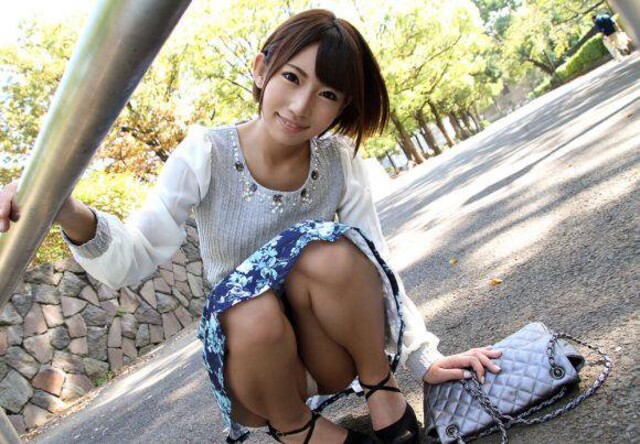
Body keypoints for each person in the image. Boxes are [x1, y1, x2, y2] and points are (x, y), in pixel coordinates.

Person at [0, 10, 502, 444]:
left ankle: (382, 390)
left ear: (342, 106)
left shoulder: (339, 160)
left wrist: (423, 359)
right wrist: (65, 209)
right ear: (261, 69)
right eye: (292, 77)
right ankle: (298, 430)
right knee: (249, 302)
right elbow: (134, 256)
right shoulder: (206, 153)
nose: (301, 106)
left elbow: (377, 261)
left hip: (332, 354)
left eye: (327, 93)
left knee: (329, 251)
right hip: (258, 369)